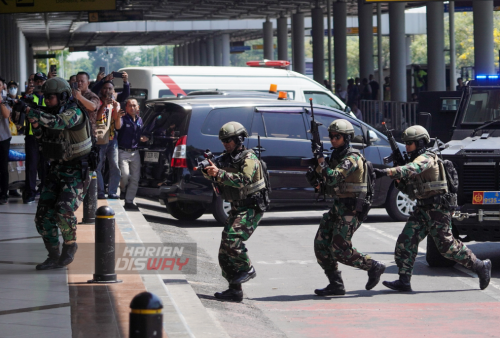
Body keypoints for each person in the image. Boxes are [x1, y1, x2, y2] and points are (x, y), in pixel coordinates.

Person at [373, 125, 492, 292]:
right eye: (405, 143)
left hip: (438, 209)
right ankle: (404, 280)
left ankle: (480, 266)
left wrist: (387, 172)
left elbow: (412, 168)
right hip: (422, 208)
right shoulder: (413, 160)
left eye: (410, 143)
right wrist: (401, 182)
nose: (407, 147)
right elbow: (410, 189)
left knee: (447, 247)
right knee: (406, 241)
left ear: (421, 143)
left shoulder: (427, 158)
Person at [18, 77, 93, 270]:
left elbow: (58, 123)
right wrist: (34, 122)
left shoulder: (74, 112)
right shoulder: (49, 113)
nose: (46, 101)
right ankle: (53, 255)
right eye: (44, 97)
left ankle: (70, 245)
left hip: (77, 170)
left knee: (63, 210)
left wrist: (31, 111)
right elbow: (43, 138)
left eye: (49, 97)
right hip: (57, 169)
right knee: (42, 218)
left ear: (63, 96)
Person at [308, 119, 385, 296]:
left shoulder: (353, 158)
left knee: (340, 249)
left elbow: (334, 177)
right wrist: (316, 174)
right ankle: (335, 284)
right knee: (321, 244)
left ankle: (373, 266)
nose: (333, 140)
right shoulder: (336, 156)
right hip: (338, 206)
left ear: (347, 138)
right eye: (331, 136)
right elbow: (326, 179)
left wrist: (320, 161)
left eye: (337, 137)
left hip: (352, 209)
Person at [202, 122, 267, 302]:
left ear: (239, 139)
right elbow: (217, 175)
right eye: (223, 141)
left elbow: (243, 180)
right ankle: (234, 289)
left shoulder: (249, 158)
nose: (226, 144)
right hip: (238, 207)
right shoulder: (228, 158)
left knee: (232, 240)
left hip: (251, 207)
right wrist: (208, 171)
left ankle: (247, 268)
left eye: (229, 140)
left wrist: (218, 174)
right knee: (225, 250)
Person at [116, 98, 147, 210]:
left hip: (135, 152)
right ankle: (123, 190)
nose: (132, 107)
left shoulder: (140, 120)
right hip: (123, 151)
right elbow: (118, 127)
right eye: (130, 105)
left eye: (134, 105)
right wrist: (118, 117)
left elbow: (140, 134)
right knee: (125, 175)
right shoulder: (123, 118)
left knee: (135, 178)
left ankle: (129, 201)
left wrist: (143, 138)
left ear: (138, 107)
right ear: (126, 107)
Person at [23, 72, 49, 204]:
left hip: (46, 136)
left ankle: (45, 191)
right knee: (31, 165)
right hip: (32, 135)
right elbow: (21, 107)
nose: (39, 83)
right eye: (37, 81)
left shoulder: (50, 97)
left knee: (45, 165)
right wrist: (27, 94)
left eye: (42, 81)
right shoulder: (29, 96)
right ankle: (29, 193)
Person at [96, 81, 122, 199]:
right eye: (105, 88)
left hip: (112, 139)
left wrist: (116, 110)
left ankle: (112, 191)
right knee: (98, 166)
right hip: (100, 139)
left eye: (110, 88)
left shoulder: (116, 104)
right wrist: (103, 106)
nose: (107, 91)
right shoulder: (97, 101)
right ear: (101, 90)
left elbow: (118, 126)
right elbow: (96, 118)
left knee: (115, 166)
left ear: (113, 91)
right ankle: (100, 191)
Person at [74, 72, 101, 137]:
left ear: (88, 83)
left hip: (88, 133)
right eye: (77, 81)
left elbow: (93, 107)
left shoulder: (92, 96)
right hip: (76, 131)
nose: (79, 83)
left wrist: (80, 97)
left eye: (82, 81)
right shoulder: (73, 95)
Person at [0, 77, 12, 205]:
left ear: (3, 87)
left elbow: (6, 115)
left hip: (3, 137)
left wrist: (0, 102)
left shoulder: (5, 100)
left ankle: (4, 194)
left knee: (3, 167)